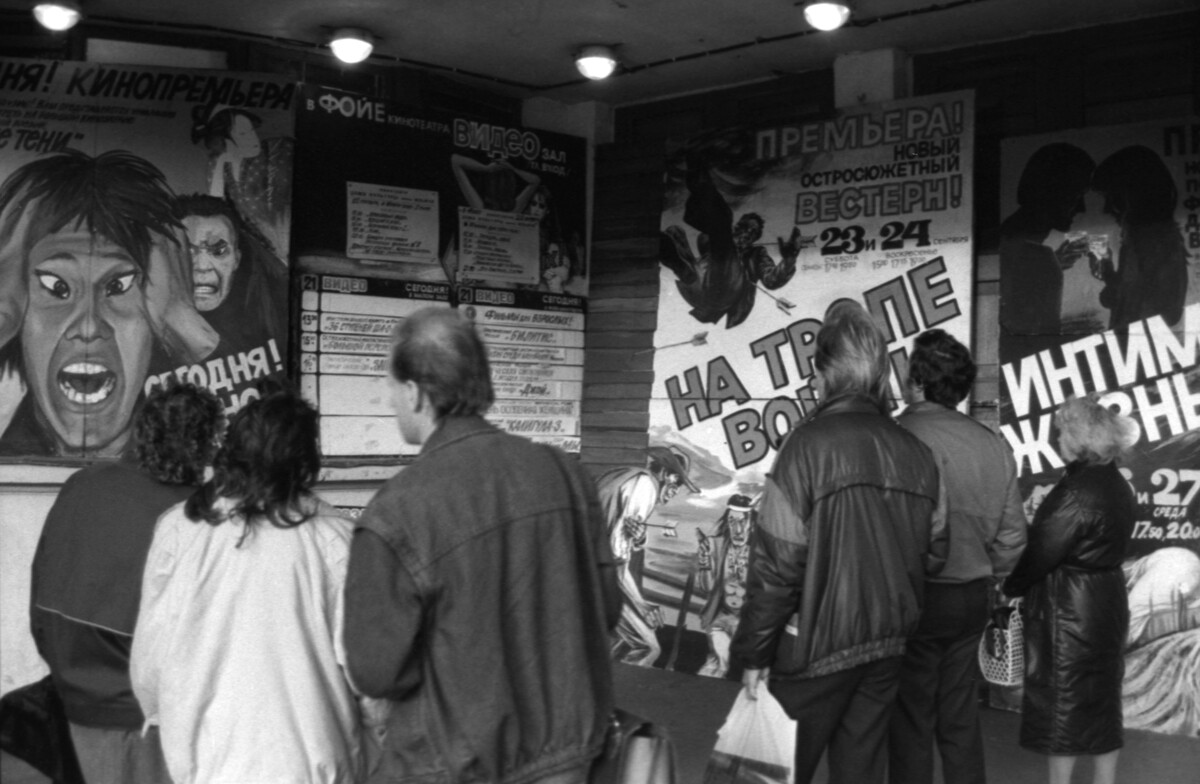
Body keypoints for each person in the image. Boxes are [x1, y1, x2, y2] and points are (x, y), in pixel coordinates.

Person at [342, 307, 621, 784]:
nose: (388, 398)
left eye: (391, 386)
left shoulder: (396, 510)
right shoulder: (564, 474)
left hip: (451, 765)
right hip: (568, 760)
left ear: (413, 393)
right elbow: (606, 608)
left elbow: (375, 672)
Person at [730, 300, 947, 784]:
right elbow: (936, 551)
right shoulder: (918, 453)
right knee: (861, 772)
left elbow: (777, 567)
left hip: (812, 648)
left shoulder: (805, 446)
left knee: (771, 774)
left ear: (827, 373)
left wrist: (754, 655)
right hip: (887, 645)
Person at [131, 386, 380, 784]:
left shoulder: (180, 528)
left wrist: (168, 722)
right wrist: (374, 741)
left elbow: (150, 660)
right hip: (312, 766)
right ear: (305, 462)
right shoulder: (336, 540)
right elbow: (368, 673)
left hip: (207, 764)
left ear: (232, 452)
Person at [29, 382, 223, 784]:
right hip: (152, 716)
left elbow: (41, 598)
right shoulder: (199, 514)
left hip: (76, 700)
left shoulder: (82, 484)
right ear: (203, 445)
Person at [0, 149, 217, 456]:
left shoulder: (180, 466)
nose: (89, 327)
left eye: (118, 286)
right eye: (56, 287)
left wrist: (181, 316)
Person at [888, 329, 1028, 784]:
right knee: (960, 714)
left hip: (914, 597)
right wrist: (998, 582)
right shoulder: (992, 445)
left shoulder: (896, 436)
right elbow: (1011, 540)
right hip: (973, 598)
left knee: (910, 717)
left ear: (917, 382)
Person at [1003, 396, 1139, 784]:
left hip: (1069, 608)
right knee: (1102, 698)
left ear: (1077, 438)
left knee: (1062, 701)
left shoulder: (1077, 491)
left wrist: (1010, 588)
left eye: (1062, 430)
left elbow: (1043, 549)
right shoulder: (1116, 483)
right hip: (1107, 600)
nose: (1057, 437)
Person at [159, 194, 288, 408]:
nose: (202, 265)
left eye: (218, 251)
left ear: (236, 260)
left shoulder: (269, 322)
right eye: (188, 251)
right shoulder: (144, 327)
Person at [659, 158, 802, 329]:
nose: (746, 234)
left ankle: (699, 175)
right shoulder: (713, 241)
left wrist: (789, 260)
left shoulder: (755, 255)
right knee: (675, 232)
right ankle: (684, 269)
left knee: (722, 220)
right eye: (743, 228)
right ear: (737, 229)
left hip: (723, 294)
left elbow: (772, 280)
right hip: (697, 288)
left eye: (751, 233)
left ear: (755, 239)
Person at [596, 444, 700, 667]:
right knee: (647, 647)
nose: (676, 490)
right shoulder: (645, 488)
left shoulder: (627, 476)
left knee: (620, 643)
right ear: (663, 473)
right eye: (676, 481)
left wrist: (641, 604)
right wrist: (641, 605)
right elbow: (615, 561)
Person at [998, 143, 1095, 362]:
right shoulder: (1036, 257)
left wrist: (1054, 263)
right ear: (1051, 191)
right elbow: (1042, 344)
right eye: (1076, 195)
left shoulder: (1012, 240)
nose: (1082, 208)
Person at [1090, 145, 1188, 331]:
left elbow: (1169, 312)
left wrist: (1115, 293)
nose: (1107, 209)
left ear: (1136, 196)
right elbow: (1129, 294)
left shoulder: (1157, 241)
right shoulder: (1142, 239)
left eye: (1113, 198)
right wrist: (1107, 267)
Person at [191, 103, 293, 258]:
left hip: (287, 243)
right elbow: (215, 207)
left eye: (251, 130)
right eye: (243, 134)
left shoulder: (277, 150)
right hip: (256, 250)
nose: (254, 138)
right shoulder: (219, 165)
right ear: (223, 140)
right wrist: (222, 162)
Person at [696, 494, 757, 678]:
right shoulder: (717, 545)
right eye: (732, 521)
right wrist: (704, 559)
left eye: (742, 522)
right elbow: (706, 588)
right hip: (721, 619)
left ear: (751, 524)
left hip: (749, 623)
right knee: (718, 663)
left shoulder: (760, 550)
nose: (736, 529)